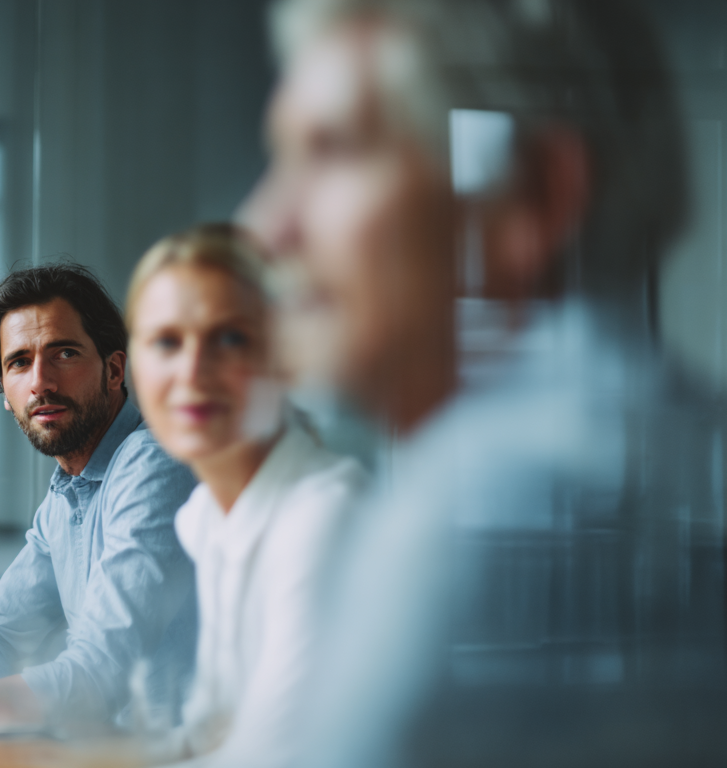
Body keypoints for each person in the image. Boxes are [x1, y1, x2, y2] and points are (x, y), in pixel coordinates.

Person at [241, 0, 727, 764]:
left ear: (531, 196)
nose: (266, 227)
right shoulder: (680, 443)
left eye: (332, 152)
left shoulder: (479, 512)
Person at [0, 263, 199, 733]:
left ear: (113, 370)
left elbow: (102, 665)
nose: (40, 381)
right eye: (19, 362)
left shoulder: (155, 462)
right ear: (6, 394)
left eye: (63, 353)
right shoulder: (67, 494)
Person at [125, 223, 367, 767]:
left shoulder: (324, 514)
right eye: (166, 341)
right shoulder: (206, 518)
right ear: (133, 363)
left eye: (229, 338)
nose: (191, 371)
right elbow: (209, 734)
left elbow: (271, 757)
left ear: (282, 359)